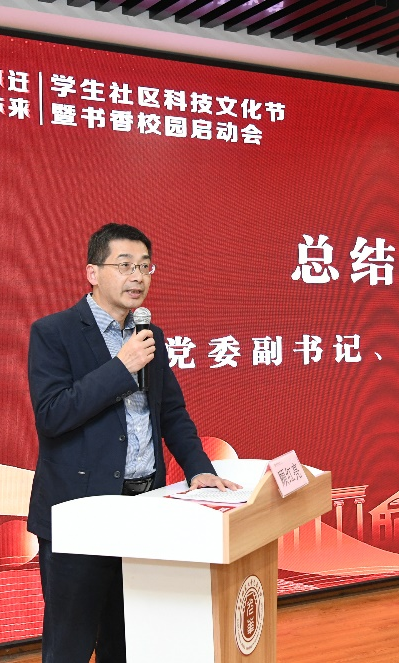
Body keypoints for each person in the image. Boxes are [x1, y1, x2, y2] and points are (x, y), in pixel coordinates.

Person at [26, 222, 240, 663]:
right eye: (124, 266)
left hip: (144, 509)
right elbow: (52, 415)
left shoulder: (148, 335)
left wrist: (199, 468)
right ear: (92, 272)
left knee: (127, 640)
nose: (137, 277)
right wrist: (120, 368)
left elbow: (171, 413)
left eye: (145, 267)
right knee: (69, 644)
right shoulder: (54, 332)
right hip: (80, 512)